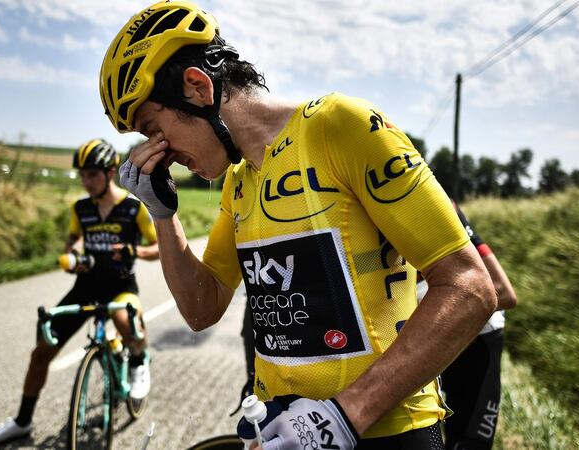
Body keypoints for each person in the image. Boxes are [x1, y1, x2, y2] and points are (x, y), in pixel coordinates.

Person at [101, 2, 497, 449]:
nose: (157, 152)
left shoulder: (340, 126)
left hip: (386, 433)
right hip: (283, 430)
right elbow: (201, 307)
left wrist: (345, 416)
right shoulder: (240, 180)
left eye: (154, 128)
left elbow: (470, 288)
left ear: (197, 88)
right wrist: (162, 214)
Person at [0, 139, 160, 444]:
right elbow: (73, 241)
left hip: (120, 289)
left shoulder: (133, 209)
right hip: (85, 288)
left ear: (110, 171)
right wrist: (73, 257)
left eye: (92, 174)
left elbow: (158, 248)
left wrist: (134, 252)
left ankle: (139, 361)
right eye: (82, 175)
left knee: (123, 316)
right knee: (41, 353)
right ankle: (22, 421)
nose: (86, 181)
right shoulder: (81, 208)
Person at [417, 203, 517, 450]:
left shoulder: (438, 205)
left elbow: (504, 292)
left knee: (469, 443)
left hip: (476, 338)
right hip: (430, 335)